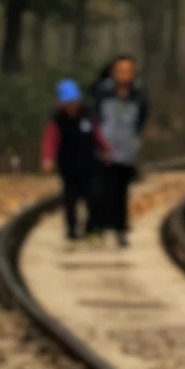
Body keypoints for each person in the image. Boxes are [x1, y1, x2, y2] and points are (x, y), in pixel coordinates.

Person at [90, 55, 149, 248]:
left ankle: (120, 229)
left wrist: (135, 139)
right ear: (113, 72)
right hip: (103, 147)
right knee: (101, 189)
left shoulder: (138, 94)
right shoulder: (101, 91)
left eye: (128, 71)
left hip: (126, 149)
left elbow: (142, 118)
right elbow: (94, 116)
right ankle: (98, 226)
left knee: (121, 191)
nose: (124, 75)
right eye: (120, 70)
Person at [40, 79, 108, 242]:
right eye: (68, 103)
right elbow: (50, 141)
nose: (72, 106)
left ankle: (92, 229)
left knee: (94, 197)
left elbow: (97, 136)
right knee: (70, 200)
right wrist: (47, 158)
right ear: (61, 103)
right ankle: (71, 231)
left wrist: (106, 151)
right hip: (68, 167)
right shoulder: (57, 121)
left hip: (89, 164)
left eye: (74, 102)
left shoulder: (87, 116)